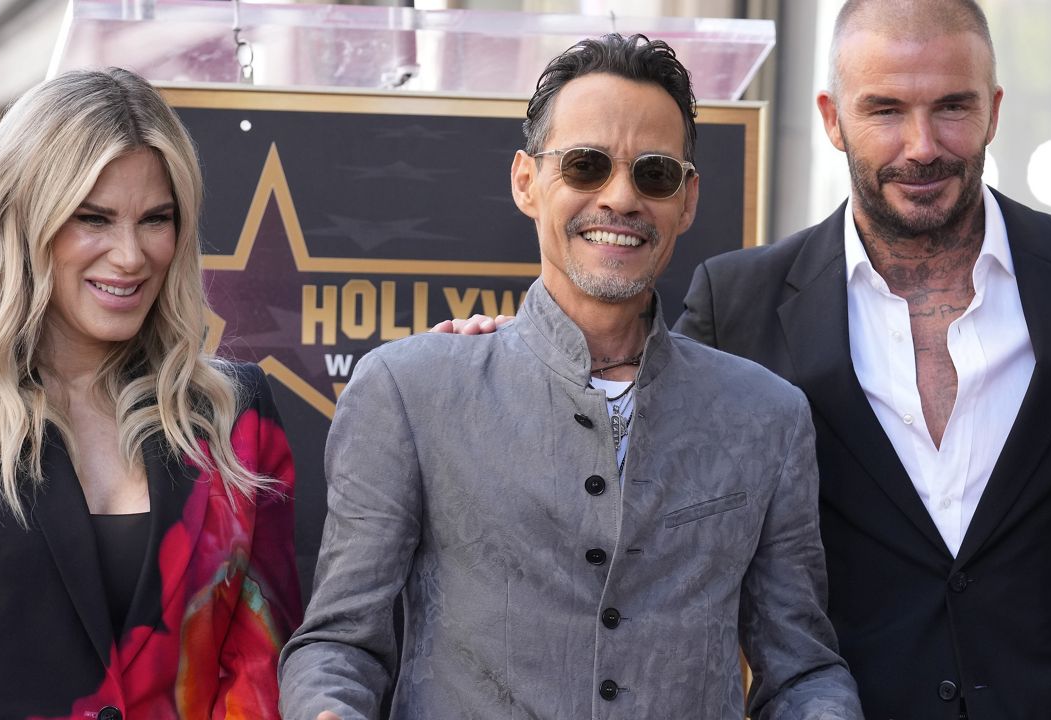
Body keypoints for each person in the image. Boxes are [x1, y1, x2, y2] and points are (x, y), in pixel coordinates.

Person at [280, 34, 862, 720]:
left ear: (688, 199)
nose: (620, 197)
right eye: (585, 165)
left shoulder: (766, 417)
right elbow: (339, 647)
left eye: (654, 174)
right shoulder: (409, 393)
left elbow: (800, 672)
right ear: (526, 181)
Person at [671, 0, 1051, 717]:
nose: (921, 146)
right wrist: (495, 357)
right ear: (831, 117)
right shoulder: (738, 304)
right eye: (884, 110)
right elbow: (644, 511)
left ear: (994, 110)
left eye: (952, 106)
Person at [0, 68, 302, 719]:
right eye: (94, 218)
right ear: (22, 217)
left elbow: (263, 666)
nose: (130, 254)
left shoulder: (235, 412)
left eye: (156, 220)